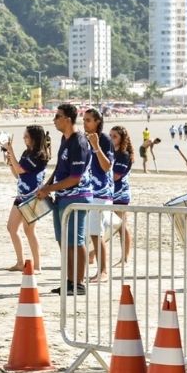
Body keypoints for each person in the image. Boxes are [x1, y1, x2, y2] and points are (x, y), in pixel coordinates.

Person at [37, 103, 92, 296]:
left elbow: (75, 178)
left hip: (77, 197)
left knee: (75, 241)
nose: (54, 120)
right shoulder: (64, 139)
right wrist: (46, 186)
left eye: (57, 116)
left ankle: (79, 283)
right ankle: (69, 281)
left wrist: (49, 188)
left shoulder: (79, 142)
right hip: (62, 196)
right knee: (64, 241)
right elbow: (60, 168)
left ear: (68, 119)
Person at [3, 125, 51, 272]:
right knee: (12, 228)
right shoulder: (26, 153)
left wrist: (10, 150)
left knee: (29, 230)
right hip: (21, 195)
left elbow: (20, 170)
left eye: (26, 136)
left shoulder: (39, 155)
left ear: (34, 138)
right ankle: (20, 262)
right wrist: (10, 160)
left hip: (33, 198)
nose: (24, 139)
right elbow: (18, 174)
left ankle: (37, 265)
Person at [83, 108, 114, 283]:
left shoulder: (104, 139)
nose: (85, 122)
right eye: (84, 119)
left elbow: (106, 166)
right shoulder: (83, 138)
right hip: (88, 190)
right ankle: (97, 267)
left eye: (88, 120)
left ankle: (103, 271)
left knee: (96, 232)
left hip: (101, 192)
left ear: (97, 122)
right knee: (92, 232)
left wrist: (96, 147)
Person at [110, 125, 134, 266]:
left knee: (122, 226)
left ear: (122, 138)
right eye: (110, 135)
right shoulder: (110, 153)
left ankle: (124, 258)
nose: (111, 139)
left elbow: (116, 176)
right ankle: (92, 254)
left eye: (115, 136)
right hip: (109, 193)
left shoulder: (123, 155)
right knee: (105, 224)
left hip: (120, 194)